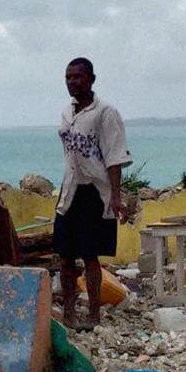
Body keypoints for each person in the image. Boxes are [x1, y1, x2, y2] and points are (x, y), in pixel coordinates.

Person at [55, 57, 132, 330]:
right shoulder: (67, 113)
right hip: (70, 190)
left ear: (91, 79)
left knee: (90, 256)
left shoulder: (106, 113)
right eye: (68, 77)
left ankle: (94, 313)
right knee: (64, 255)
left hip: (94, 192)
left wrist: (115, 195)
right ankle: (68, 312)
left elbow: (114, 157)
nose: (72, 82)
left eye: (77, 77)